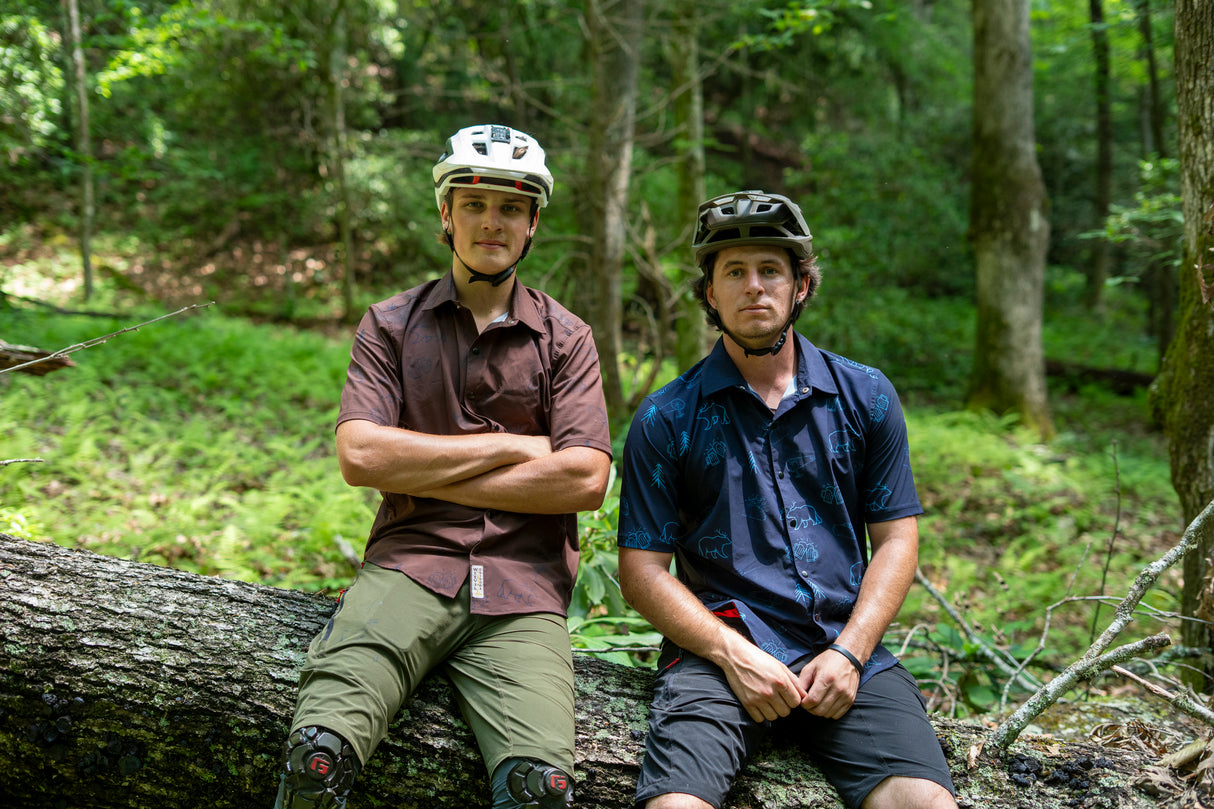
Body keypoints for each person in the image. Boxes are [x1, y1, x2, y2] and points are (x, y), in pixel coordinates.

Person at [274, 124, 613, 809]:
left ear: (533, 222)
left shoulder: (568, 339)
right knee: (317, 758)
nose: (492, 220)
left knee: (539, 792)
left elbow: (584, 479)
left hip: (524, 587)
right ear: (446, 213)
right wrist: (517, 447)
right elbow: (361, 454)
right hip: (410, 566)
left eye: (511, 206)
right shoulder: (391, 325)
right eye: (476, 203)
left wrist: (420, 464)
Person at [616, 190, 957, 809]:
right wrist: (733, 655)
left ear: (801, 285)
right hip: (719, 654)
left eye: (770, 270)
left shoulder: (865, 396)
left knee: (925, 804)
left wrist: (851, 652)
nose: (754, 287)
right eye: (735, 273)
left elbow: (897, 538)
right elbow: (641, 572)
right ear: (710, 294)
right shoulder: (668, 417)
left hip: (845, 650)